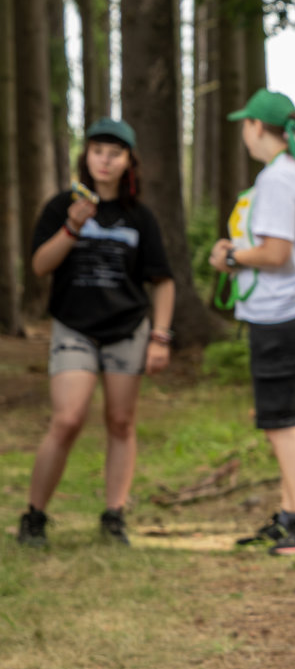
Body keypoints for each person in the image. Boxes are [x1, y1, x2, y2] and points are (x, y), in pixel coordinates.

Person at [16, 119, 174, 549]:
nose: (105, 160)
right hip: (75, 327)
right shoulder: (61, 206)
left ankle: (114, 515)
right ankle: (34, 517)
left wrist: (160, 337)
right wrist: (71, 228)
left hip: (127, 329)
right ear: (86, 156)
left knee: (121, 421)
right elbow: (40, 266)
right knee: (67, 419)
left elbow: (163, 281)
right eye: (98, 150)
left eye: (115, 153)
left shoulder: (139, 216)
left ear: (128, 162)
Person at [215, 89, 295, 556]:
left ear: (256, 127)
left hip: (285, 316)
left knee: (284, 424)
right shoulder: (288, 174)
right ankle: (291, 516)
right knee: (288, 420)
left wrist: (231, 257)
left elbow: (275, 252)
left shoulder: (277, 179)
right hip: (290, 313)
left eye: (245, 125)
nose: (243, 134)